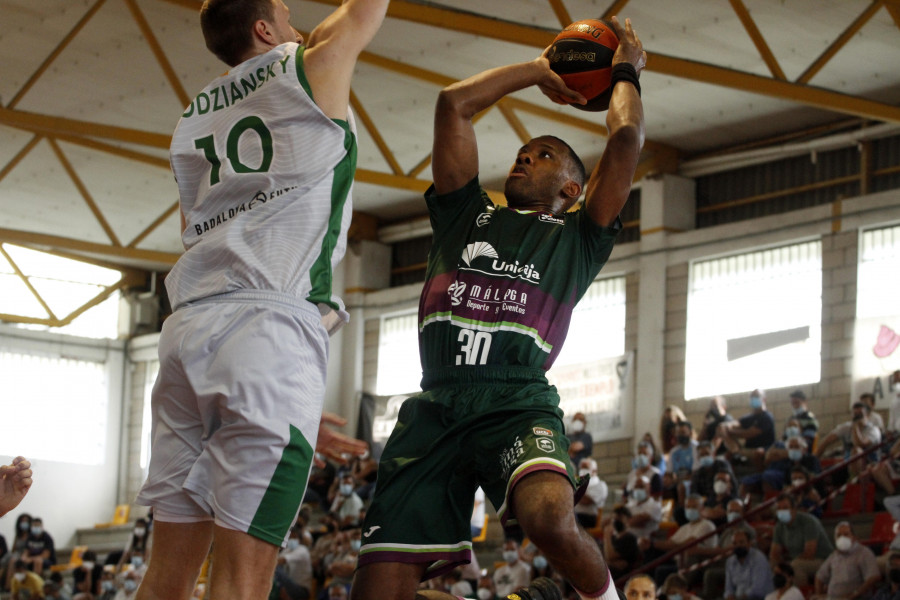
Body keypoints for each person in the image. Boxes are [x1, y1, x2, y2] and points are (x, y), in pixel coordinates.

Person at [351, 15, 646, 600]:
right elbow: (453, 104)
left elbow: (625, 139)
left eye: (541, 156)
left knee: (549, 521)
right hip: (436, 404)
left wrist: (624, 73)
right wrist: (537, 70)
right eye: (521, 152)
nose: (524, 158)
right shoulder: (465, 213)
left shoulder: (579, 236)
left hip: (514, 399)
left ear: (571, 190)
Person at [133, 1, 390, 599]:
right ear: (264, 29)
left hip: (188, 328)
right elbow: (364, 11)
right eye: (287, 12)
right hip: (269, 329)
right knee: (243, 578)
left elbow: (193, 223)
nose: (302, 25)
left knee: (165, 577)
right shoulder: (308, 69)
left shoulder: (192, 120)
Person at [770, 494, 834, 586]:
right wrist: (779, 564)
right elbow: (774, 553)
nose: (781, 511)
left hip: (822, 560)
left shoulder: (809, 522)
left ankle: (800, 595)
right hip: (796, 559)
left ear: (794, 509)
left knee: (797, 565)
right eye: (779, 508)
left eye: (785, 508)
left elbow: (809, 553)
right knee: (773, 564)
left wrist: (788, 566)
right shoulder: (779, 526)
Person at [813, 522, 880, 600]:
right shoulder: (834, 555)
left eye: (846, 534)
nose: (842, 538)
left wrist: (854, 594)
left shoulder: (864, 553)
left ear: (854, 537)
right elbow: (819, 576)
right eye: (839, 535)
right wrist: (819, 595)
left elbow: (873, 577)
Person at [718, 389, 776, 465]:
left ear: (764, 399)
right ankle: (735, 453)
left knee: (758, 452)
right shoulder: (748, 418)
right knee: (728, 454)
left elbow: (748, 434)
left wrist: (729, 432)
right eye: (751, 397)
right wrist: (725, 427)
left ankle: (760, 475)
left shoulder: (767, 417)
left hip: (765, 449)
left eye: (756, 396)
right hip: (747, 448)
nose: (753, 399)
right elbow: (735, 424)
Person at [725, 528, 774, 600]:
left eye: (741, 542)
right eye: (734, 543)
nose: (738, 546)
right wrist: (729, 596)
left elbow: (757, 589)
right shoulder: (730, 561)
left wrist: (739, 599)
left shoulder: (758, 559)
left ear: (749, 543)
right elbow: (729, 588)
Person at [575, 458, 608, 529]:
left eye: (585, 467)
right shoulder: (577, 481)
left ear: (594, 470)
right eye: (582, 467)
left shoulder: (600, 485)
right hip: (574, 514)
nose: (583, 469)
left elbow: (586, 501)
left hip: (587, 517)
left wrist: (572, 493)